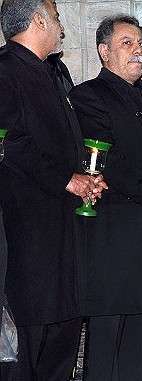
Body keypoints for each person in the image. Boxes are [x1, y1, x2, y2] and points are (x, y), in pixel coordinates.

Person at [70, 15, 142, 380]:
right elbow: (105, 162)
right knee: (109, 342)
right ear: (104, 52)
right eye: (126, 43)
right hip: (112, 240)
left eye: (141, 44)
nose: (138, 51)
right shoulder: (89, 95)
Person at [0, 1, 105, 379]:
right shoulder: (6, 70)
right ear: (37, 20)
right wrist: (67, 179)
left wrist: (86, 176)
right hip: (30, 234)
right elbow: (11, 144)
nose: (62, 27)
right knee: (30, 345)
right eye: (57, 19)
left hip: (64, 233)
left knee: (62, 334)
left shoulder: (50, 72)